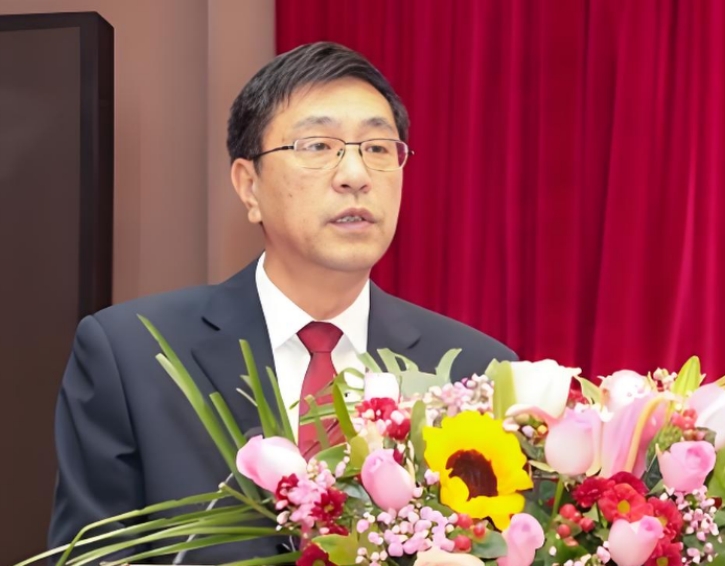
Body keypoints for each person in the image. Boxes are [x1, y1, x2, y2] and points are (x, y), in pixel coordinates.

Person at [48, 41, 517, 563]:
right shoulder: (132, 355)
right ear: (249, 186)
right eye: (318, 146)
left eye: (379, 148)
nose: (356, 175)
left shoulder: (478, 371)